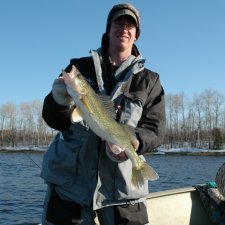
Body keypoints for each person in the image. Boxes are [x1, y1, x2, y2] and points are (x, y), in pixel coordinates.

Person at [41, 3, 166, 225]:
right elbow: (55, 120)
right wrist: (58, 100)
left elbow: (155, 129)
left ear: (136, 35)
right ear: (108, 29)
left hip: (122, 195)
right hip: (70, 190)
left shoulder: (150, 80)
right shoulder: (79, 67)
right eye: (118, 22)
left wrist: (134, 142)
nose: (124, 28)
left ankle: (139, 167)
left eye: (130, 25)